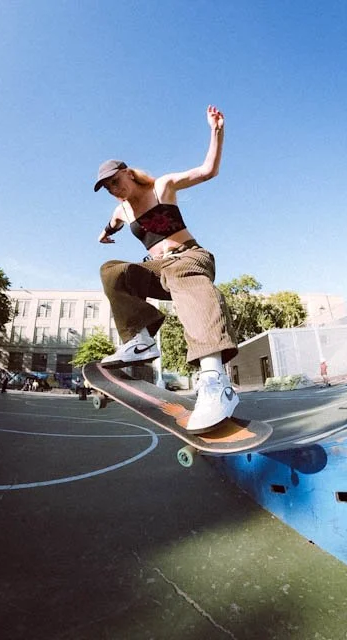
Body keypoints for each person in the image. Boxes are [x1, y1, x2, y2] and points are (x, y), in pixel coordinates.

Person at [94, 105, 238, 432]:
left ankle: (215, 381)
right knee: (112, 271)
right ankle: (141, 339)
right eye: (110, 188)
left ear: (129, 173)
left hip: (189, 257)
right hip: (157, 269)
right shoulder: (121, 210)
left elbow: (207, 171)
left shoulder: (163, 187)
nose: (116, 190)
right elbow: (113, 223)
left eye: (117, 181)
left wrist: (216, 132)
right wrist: (104, 233)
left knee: (180, 274)